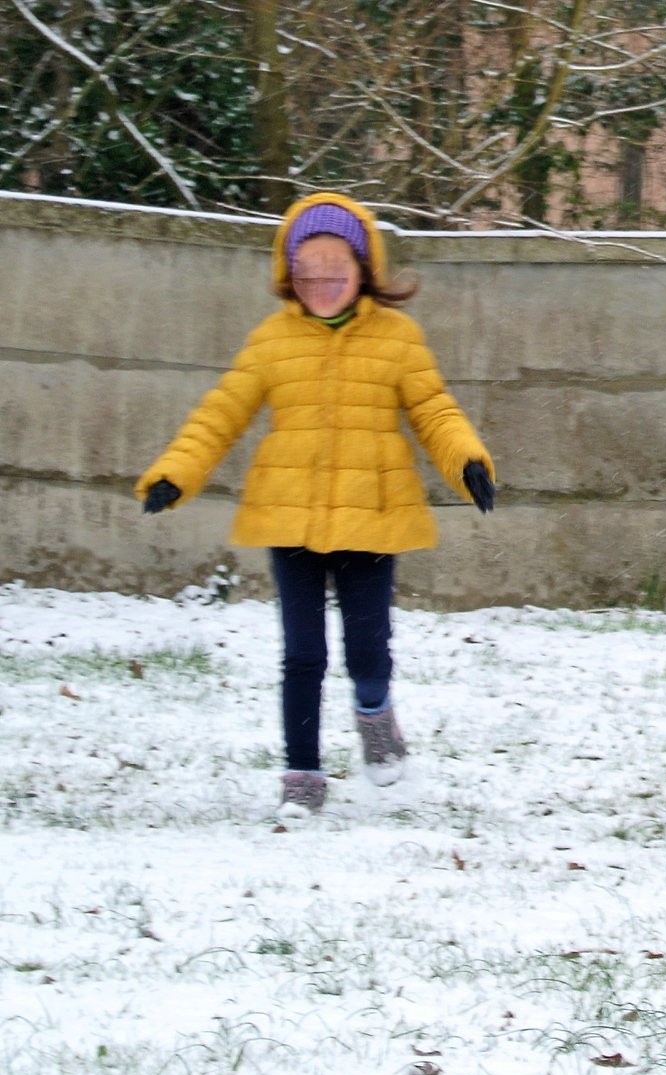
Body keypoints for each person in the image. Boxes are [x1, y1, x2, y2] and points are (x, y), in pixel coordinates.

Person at [136, 192, 497, 819]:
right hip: (290, 515)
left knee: (367, 649)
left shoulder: (398, 338)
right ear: (289, 273)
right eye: (308, 272)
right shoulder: (272, 340)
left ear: (363, 269)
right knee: (302, 655)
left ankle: (375, 715)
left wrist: (467, 462)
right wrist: (175, 474)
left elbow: (433, 410)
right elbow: (221, 414)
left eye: (336, 270)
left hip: (373, 516)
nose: (322, 284)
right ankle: (301, 773)